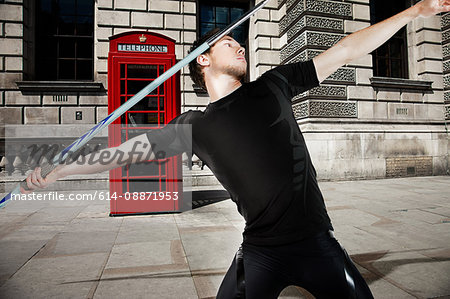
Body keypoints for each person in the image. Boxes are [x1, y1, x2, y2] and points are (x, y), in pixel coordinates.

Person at [23, 1, 449, 298]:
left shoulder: (275, 85)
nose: (240, 44)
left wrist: (415, 12)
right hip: (260, 251)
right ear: (202, 61)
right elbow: (124, 153)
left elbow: (346, 48)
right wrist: (57, 173)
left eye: (239, 40)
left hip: (318, 245)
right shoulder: (194, 126)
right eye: (228, 41)